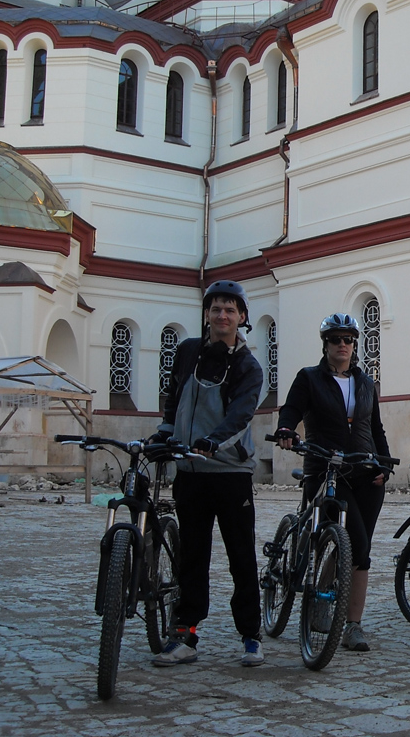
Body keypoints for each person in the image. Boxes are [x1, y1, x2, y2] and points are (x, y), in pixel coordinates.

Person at [150, 280, 265, 667]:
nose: (222, 315)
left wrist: (213, 441)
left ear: (242, 317)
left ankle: (250, 636)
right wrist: (165, 433)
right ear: (207, 314)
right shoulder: (187, 351)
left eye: (230, 310)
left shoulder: (248, 366)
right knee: (192, 556)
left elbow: (241, 415)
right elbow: (174, 398)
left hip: (230, 472)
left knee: (241, 557)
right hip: (190, 470)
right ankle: (186, 635)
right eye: (216, 308)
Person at [274, 313, 393, 653]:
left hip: (365, 472)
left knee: (359, 550)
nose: (342, 344)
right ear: (325, 344)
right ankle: (327, 608)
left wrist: (384, 462)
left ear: (355, 345)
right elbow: (291, 409)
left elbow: (375, 428)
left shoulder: (365, 382)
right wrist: (286, 429)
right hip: (325, 470)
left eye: (348, 339)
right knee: (355, 541)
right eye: (336, 339)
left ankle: (352, 625)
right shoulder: (309, 378)